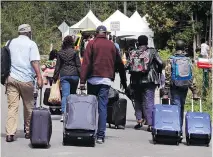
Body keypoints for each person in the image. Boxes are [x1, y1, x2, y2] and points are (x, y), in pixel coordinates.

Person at [80, 25, 127, 144]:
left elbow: (86, 63)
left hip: (92, 80)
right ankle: (100, 136)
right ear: (106, 33)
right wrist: (123, 81)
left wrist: (82, 81)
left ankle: (90, 131)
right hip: (106, 80)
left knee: (91, 107)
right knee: (102, 107)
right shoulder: (112, 45)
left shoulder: (91, 43)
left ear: (96, 33)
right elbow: (120, 64)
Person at [5, 24, 43, 142]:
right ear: (29, 33)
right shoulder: (31, 44)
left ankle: (10, 133)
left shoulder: (9, 43)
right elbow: (34, 62)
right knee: (29, 106)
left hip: (11, 79)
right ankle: (28, 131)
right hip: (26, 80)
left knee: (12, 107)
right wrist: (39, 77)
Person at [127, 35, 163, 132]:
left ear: (138, 42)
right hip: (149, 80)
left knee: (137, 100)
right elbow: (161, 63)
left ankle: (139, 121)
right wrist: (158, 71)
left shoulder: (133, 52)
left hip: (136, 80)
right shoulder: (152, 51)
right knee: (149, 102)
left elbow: (127, 65)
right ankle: (150, 124)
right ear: (147, 42)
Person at [163, 40, 196, 139]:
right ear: (184, 48)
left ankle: (177, 131)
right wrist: (194, 90)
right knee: (181, 107)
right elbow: (191, 76)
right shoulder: (188, 60)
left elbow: (168, 76)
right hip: (185, 86)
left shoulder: (171, 59)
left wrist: (165, 91)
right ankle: (179, 130)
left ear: (175, 48)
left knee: (176, 108)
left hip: (175, 87)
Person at [53, 35, 81, 122]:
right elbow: (78, 65)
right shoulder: (75, 52)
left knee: (65, 95)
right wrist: (82, 77)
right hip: (74, 75)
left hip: (64, 75)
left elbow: (58, 66)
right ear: (72, 43)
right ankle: (72, 113)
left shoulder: (60, 53)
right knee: (73, 94)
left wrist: (55, 77)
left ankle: (64, 114)